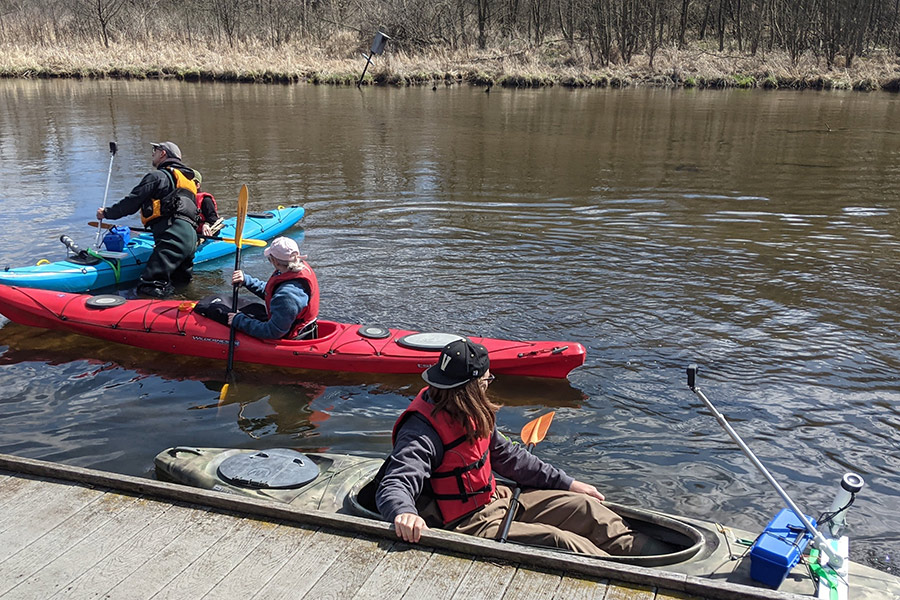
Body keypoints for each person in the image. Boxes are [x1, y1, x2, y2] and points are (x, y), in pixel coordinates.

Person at [375, 339, 672, 557]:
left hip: (497, 498)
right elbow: (397, 481)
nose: (488, 384)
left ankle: (659, 559)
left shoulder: (468, 410)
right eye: (486, 379)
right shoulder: (422, 430)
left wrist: (567, 483)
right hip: (466, 523)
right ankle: (632, 578)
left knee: (587, 509)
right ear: (473, 385)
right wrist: (404, 513)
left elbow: (510, 458)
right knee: (561, 541)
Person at [97, 141, 200, 298]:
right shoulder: (190, 184)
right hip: (191, 240)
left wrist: (107, 213)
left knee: (149, 285)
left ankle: (151, 316)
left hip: (172, 238)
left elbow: (131, 203)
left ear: (163, 153)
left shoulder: (157, 177)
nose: (153, 153)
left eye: (155, 150)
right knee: (181, 285)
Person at [225, 236, 319, 339]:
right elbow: (273, 291)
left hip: (290, 336)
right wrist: (247, 281)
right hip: (293, 325)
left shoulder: (288, 295)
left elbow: (272, 332)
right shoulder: (296, 268)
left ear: (275, 261)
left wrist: (239, 320)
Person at [192, 171, 223, 238]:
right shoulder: (183, 199)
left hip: (205, 233)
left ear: (197, 185)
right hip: (191, 232)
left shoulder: (206, 200)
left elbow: (213, 219)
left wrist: (206, 224)